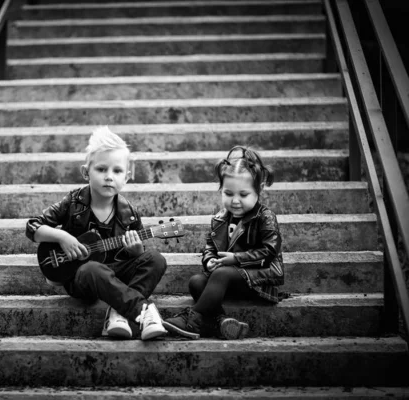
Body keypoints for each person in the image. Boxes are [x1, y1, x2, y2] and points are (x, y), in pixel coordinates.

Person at [26, 126, 168, 340]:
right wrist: (62, 237)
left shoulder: (129, 214)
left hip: (114, 275)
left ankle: (118, 313)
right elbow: (33, 226)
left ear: (127, 177)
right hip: (82, 277)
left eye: (117, 171)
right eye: (101, 169)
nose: (109, 177)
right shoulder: (73, 202)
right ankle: (143, 311)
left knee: (156, 260)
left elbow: (138, 258)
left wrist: (135, 252)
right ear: (86, 172)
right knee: (92, 268)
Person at [163, 146, 284, 340]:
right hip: (229, 279)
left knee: (221, 274)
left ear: (258, 190)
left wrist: (236, 258)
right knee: (196, 282)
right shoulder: (220, 219)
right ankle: (222, 322)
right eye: (228, 193)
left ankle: (193, 321)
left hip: (260, 278)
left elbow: (269, 251)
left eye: (243, 195)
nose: (235, 201)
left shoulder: (265, 217)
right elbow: (210, 246)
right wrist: (209, 260)